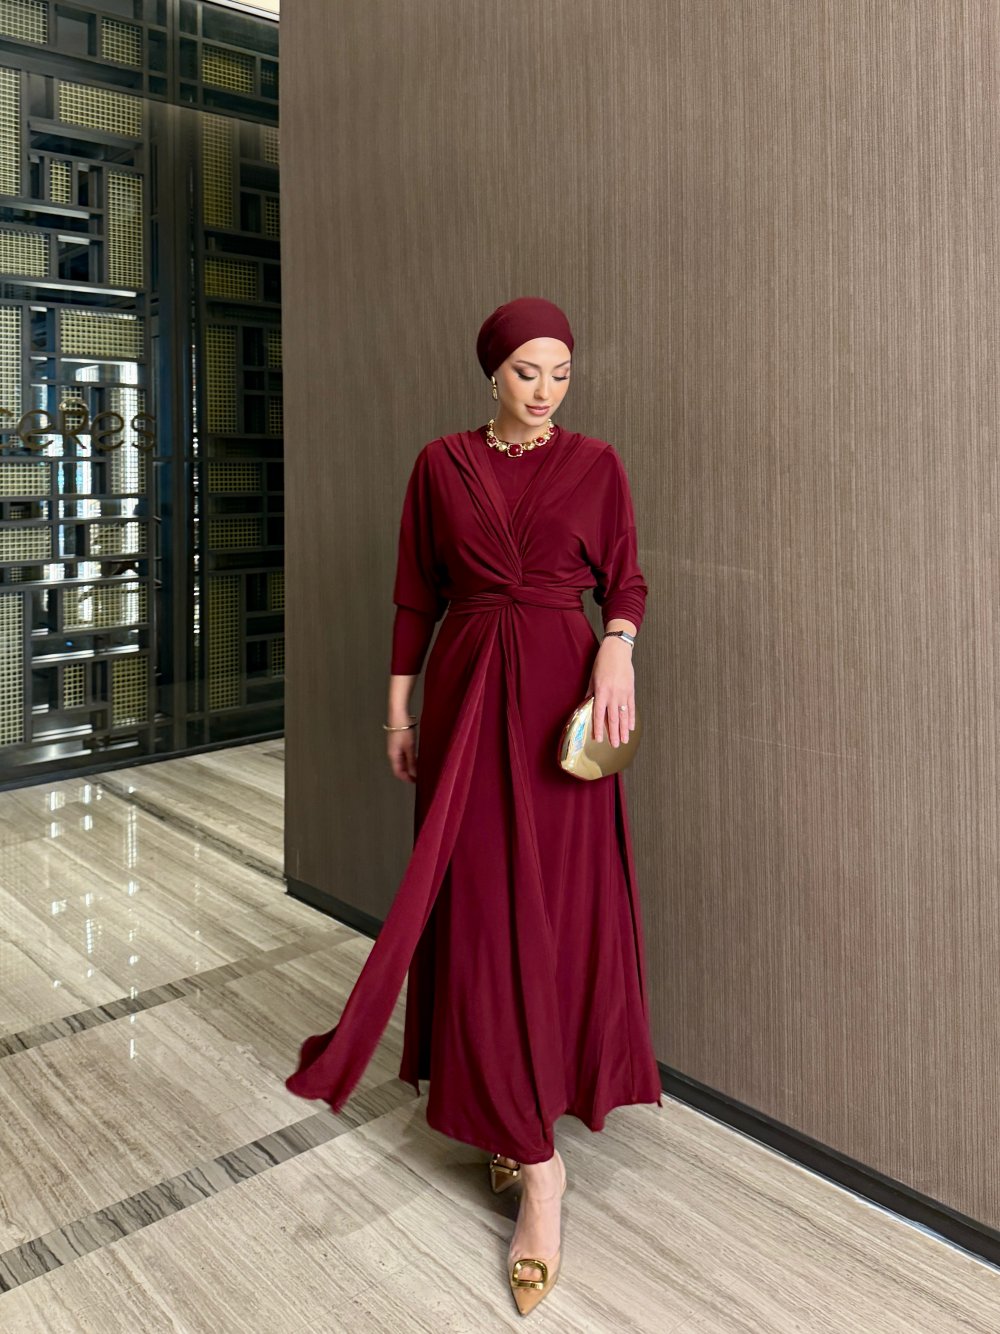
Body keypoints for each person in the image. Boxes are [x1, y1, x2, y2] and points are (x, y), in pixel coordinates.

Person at [285, 296, 663, 1316]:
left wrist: (617, 645)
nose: (545, 391)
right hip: (463, 697)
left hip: (559, 703)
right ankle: (530, 1150)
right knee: (482, 917)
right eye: (527, 371)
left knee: (555, 916)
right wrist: (396, 712)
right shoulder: (438, 466)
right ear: (491, 370)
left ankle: (531, 1134)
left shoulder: (597, 464)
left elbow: (626, 580)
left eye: (561, 373)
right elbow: (416, 596)